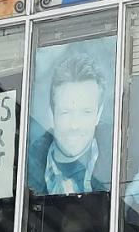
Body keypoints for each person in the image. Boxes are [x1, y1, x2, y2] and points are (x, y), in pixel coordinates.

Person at [27, 49, 110, 194]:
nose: (74, 125)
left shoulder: (119, 165)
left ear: (99, 114)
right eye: (65, 112)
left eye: (85, 112)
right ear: (50, 114)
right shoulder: (25, 170)